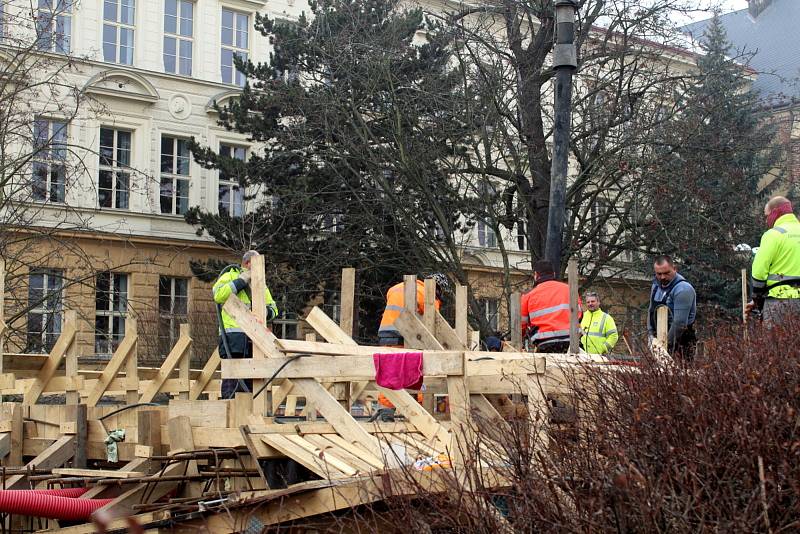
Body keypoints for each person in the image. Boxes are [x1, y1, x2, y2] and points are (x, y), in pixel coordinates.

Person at [376, 273, 448, 410]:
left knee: (390, 370)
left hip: (385, 333)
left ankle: (385, 410)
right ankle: (421, 408)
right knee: (417, 369)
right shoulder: (428, 295)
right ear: (438, 288)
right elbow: (434, 322)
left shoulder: (396, 287)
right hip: (403, 335)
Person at [213, 250, 278, 399]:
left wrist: (262, 312)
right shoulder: (230, 276)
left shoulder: (261, 285)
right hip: (233, 339)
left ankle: (249, 414)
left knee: (251, 382)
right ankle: (230, 412)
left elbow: (274, 309)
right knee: (233, 381)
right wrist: (241, 281)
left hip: (253, 339)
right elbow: (218, 295)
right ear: (248, 263)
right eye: (258, 265)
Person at [747, 196, 800, 326]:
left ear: (775, 213)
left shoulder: (773, 235)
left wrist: (756, 299)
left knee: (776, 343)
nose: (766, 221)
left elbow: (759, 273)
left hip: (779, 303)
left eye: (766, 216)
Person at [520, 260, 581, 353]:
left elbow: (521, 327)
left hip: (545, 344)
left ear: (536, 275)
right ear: (554, 273)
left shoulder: (528, 296)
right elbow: (580, 315)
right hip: (572, 342)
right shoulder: (569, 289)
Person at [647, 255, 696, 361]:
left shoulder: (683, 289)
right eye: (659, 274)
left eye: (666, 273)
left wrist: (664, 347)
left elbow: (679, 323)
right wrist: (650, 335)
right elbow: (651, 310)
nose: (662, 277)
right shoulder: (656, 286)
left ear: (674, 269)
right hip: (658, 342)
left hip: (680, 344)